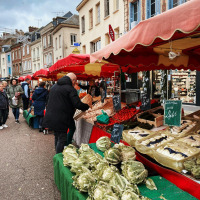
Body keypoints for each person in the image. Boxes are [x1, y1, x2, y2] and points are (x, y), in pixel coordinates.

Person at [43, 73, 90, 153]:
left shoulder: (54, 87)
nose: (75, 83)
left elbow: (48, 99)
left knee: (57, 136)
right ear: (73, 80)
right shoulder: (70, 89)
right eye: (75, 82)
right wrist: (87, 106)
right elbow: (77, 104)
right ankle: (59, 156)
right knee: (62, 138)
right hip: (62, 117)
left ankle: (57, 156)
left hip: (51, 115)